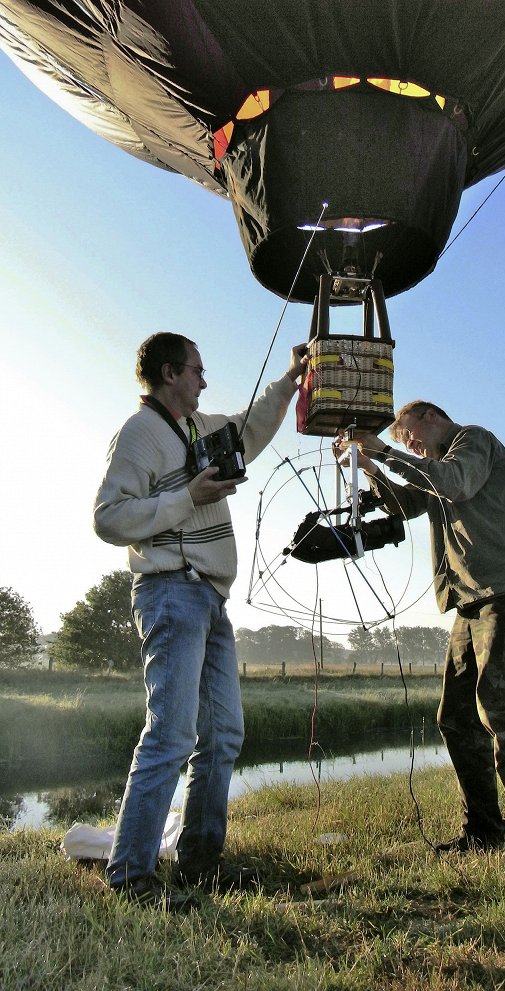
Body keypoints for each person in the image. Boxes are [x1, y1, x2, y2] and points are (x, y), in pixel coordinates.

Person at [94, 331, 307, 909]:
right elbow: (108, 518)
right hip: (171, 591)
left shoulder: (198, 426)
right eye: (196, 370)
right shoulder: (139, 433)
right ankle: (131, 874)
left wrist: (290, 380)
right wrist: (187, 497)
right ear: (169, 374)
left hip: (210, 598)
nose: (204, 380)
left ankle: (200, 862)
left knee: (224, 734)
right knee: (171, 732)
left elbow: (251, 425)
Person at [336, 401, 505, 878]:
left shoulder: (473, 442)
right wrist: (368, 466)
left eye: (412, 437)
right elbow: (408, 504)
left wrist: (383, 450)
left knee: (502, 710)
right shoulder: (435, 466)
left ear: (431, 416)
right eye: (405, 444)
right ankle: (483, 830)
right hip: (470, 602)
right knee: (457, 718)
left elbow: (453, 483)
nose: (412, 446)